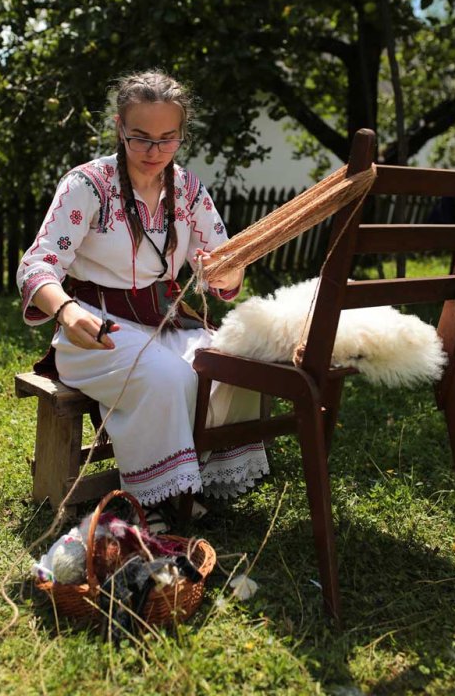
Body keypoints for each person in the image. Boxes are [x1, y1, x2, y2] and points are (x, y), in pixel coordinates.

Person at [17, 70, 269, 523]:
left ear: (181, 135)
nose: (154, 152)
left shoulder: (188, 191)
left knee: (234, 362)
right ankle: (150, 498)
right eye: (141, 138)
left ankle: (197, 475)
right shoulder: (88, 185)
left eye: (168, 139)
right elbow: (36, 264)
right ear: (119, 128)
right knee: (166, 377)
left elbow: (220, 276)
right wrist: (68, 311)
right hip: (96, 331)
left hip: (166, 322)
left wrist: (229, 268)